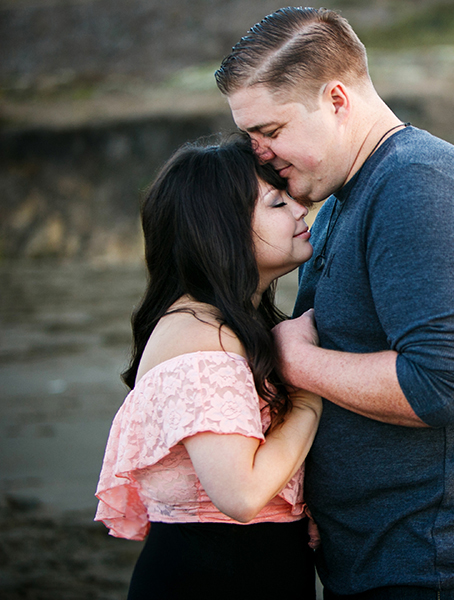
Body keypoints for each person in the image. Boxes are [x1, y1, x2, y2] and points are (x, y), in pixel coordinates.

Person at [216, 7, 454, 598]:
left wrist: (295, 362)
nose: (259, 154)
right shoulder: (341, 198)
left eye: (272, 132)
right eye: (249, 137)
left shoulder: (418, 188)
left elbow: (442, 386)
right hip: (376, 561)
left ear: (336, 98)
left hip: (431, 572)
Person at [94, 133, 322, 600]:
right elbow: (240, 494)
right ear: (223, 229)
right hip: (214, 577)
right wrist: (309, 394)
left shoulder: (224, 324)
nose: (300, 210)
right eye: (277, 204)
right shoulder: (203, 337)